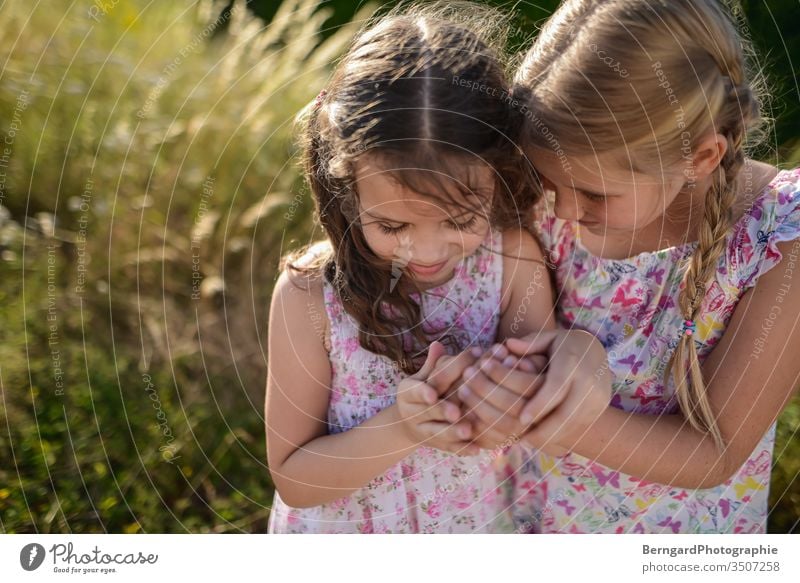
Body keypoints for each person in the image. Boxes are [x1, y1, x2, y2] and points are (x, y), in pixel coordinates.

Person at [453, 0, 800, 533]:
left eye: (594, 193)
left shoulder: (779, 237)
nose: (565, 212)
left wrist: (541, 414)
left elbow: (713, 452)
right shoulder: (547, 195)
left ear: (701, 157)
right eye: (550, 183)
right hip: (525, 521)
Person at [265, 3, 557, 533]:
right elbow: (294, 478)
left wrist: (501, 389)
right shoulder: (309, 296)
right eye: (394, 227)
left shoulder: (512, 262)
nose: (426, 251)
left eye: (460, 219)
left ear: (499, 170)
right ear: (348, 195)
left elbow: (541, 382)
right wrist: (404, 426)